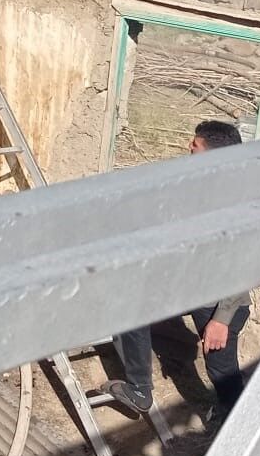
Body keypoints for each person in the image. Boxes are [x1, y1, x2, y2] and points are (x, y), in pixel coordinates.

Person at [106, 120, 251, 429]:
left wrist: (221, 320)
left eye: (195, 146)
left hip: (221, 302)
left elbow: (243, 261)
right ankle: (139, 390)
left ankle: (240, 431)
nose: (189, 148)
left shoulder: (237, 198)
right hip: (194, 290)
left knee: (222, 372)